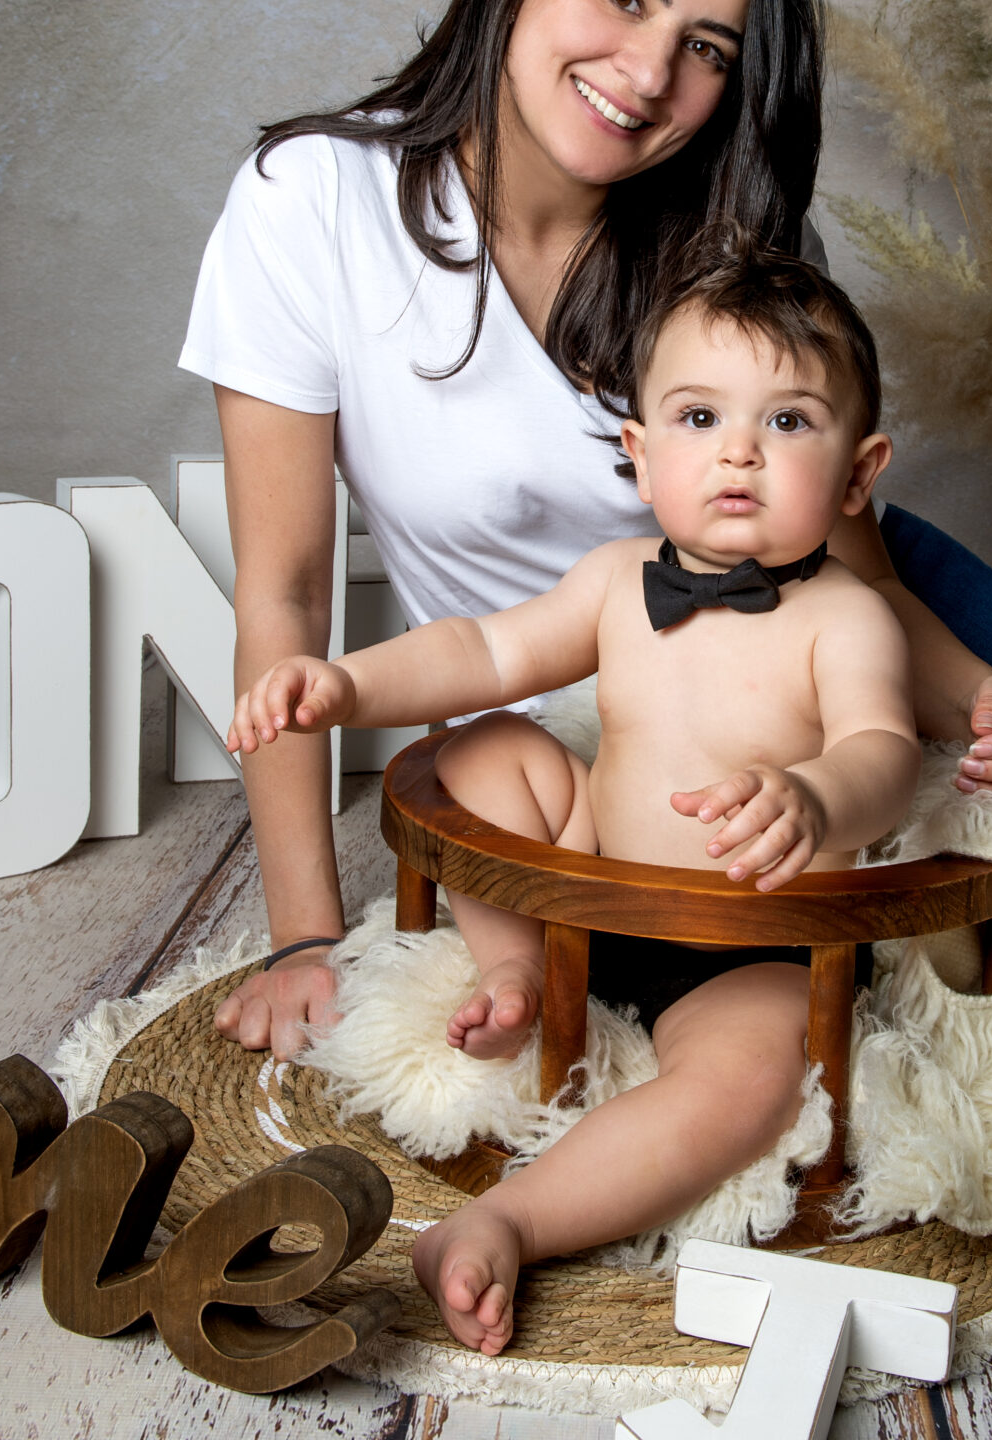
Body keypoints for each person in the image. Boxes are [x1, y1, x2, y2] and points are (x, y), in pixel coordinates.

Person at [179, 0, 992, 1063]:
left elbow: (853, 580)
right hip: (607, 729)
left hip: (848, 624)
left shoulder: (733, 239)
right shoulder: (313, 201)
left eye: (706, 49)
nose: (648, 73)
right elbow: (283, 594)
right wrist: (302, 938)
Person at [228, 237, 924, 1354]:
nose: (739, 451)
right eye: (700, 417)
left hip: (746, 940)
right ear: (641, 456)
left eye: (789, 421)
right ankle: (516, 966)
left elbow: (887, 752)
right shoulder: (615, 581)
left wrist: (816, 796)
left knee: (752, 1087)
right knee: (483, 748)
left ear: (857, 473)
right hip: (588, 886)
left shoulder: (848, 618)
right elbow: (484, 650)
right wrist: (345, 685)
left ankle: (511, 1219)